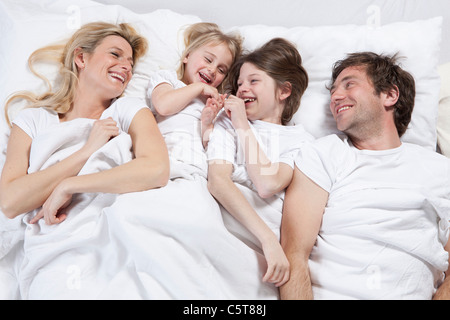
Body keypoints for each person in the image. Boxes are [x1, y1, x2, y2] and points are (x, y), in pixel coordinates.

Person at [280, 52, 450, 300]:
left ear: (390, 95)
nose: (336, 97)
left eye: (349, 84)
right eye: (333, 91)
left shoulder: (439, 169)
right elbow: (294, 253)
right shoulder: (323, 153)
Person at [0, 22, 169, 225]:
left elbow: (157, 170)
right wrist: (87, 151)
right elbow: (10, 203)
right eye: (115, 55)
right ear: (81, 58)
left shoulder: (127, 110)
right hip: (55, 232)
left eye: (131, 64)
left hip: (114, 224)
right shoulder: (32, 120)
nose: (126, 67)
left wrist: (69, 185)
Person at [207, 38, 313, 288]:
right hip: (228, 227)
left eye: (254, 81)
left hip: (261, 248)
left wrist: (242, 125)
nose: (242, 88)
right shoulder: (226, 120)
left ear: (284, 91)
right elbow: (218, 181)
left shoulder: (301, 141)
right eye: (240, 83)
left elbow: (267, 183)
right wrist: (268, 239)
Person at [147, 22, 242, 159]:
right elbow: (163, 106)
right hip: (162, 157)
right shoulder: (168, 80)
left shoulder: (213, 104)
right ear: (188, 55)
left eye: (221, 70)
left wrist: (207, 124)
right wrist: (198, 87)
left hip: (195, 164)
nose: (212, 70)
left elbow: (213, 146)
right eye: (208, 59)